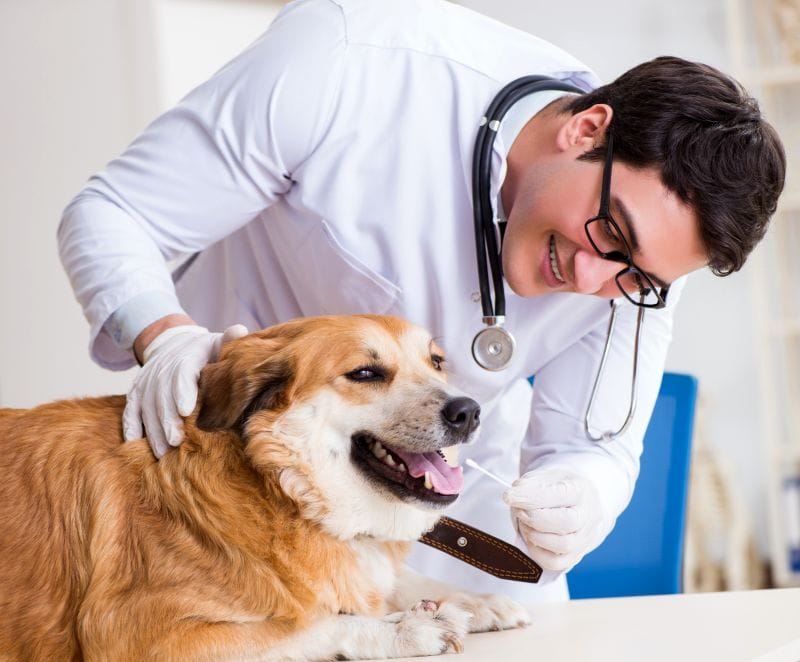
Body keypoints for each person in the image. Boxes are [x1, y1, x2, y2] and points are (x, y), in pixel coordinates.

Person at [58, 0, 785, 603]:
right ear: (587, 128)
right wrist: (166, 336)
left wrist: (582, 494)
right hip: (234, 475)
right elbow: (113, 213)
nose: (596, 281)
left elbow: (593, 446)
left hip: (446, 502)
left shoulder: (650, 251)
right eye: (609, 234)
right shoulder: (351, 60)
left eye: (637, 277)